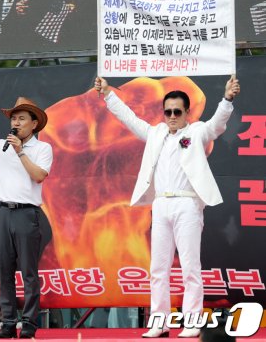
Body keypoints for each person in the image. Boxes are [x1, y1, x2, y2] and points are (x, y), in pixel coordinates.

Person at [94, 76, 240, 338]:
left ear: (186, 112)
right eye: (168, 111)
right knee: (158, 269)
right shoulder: (155, 133)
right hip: (160, 204)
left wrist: (227, 99)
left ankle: (192, 321)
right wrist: (107, 94)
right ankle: (159, 322)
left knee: (189, 266)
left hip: (187, 203)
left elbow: (218, 124)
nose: (172, 116)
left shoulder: (196, 132)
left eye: (177, 111)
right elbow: (128, 118)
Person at [0, 97, 53, 339]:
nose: (16, 122)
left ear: (34, 124)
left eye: (22, 118)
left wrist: (21, 152)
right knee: (5, 270)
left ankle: (29, 322)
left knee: (28, 272)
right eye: (14, 118)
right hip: (3, 212)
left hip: (27, 213)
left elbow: (38, 176)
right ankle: (8, 322)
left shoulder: (43, 149)